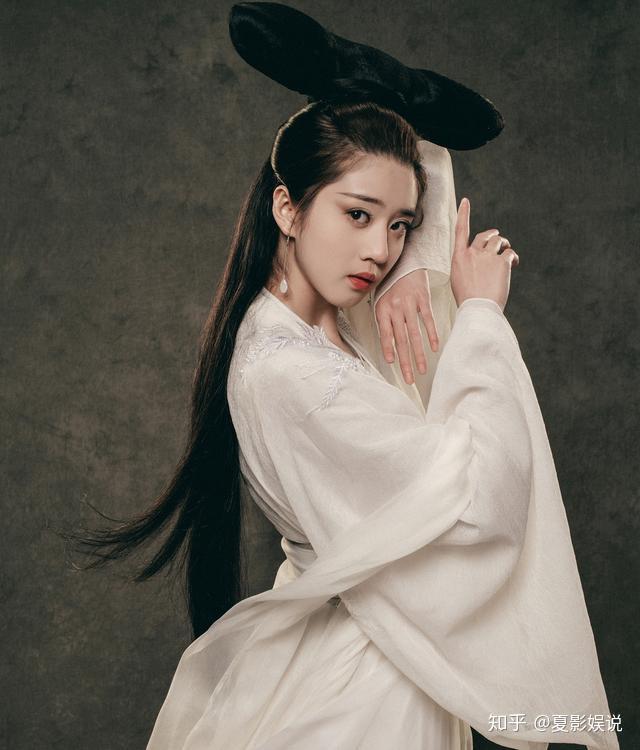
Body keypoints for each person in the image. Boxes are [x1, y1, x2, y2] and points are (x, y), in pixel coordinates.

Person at [62, 5, 619, 749]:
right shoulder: (288, 373)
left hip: (379, 660)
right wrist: (483, 316)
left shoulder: (335, 326)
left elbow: (419, 160)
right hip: (364, 696)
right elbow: (480, 509)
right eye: (357, 216)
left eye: (399, 226)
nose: (381, 250)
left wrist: (421, 264)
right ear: (287, 208)